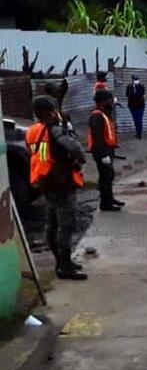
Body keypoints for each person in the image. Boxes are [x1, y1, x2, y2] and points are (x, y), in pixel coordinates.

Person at [26, 96, 88, 280]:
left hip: (45, 182)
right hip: (61, 183)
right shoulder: (54, 130)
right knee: (66, 225)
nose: (57, 113)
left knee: (52, 224)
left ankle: (61, 262)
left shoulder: (33, 131)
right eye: (54, 110)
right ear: (49, 112)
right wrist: (80, 159)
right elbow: (74, 147)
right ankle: (65, 267)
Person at [88, 90, 124, 212]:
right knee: (105, 177)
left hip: (107, 149)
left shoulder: (104, 113)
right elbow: (96, 136)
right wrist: (103, 154)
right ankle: (105, 203)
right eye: (109, 100)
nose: (111, 102)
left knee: (109, 175)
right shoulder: (97, 115)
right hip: (101, 150)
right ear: (103, 101)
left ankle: (110, 198)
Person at [125, 74, 146, 139]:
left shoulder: (141, 86)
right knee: (135, 120)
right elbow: (127, 94)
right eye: (135, 79)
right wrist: (134, 95)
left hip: (140, 106)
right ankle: (137, 132)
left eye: (137, 79)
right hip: (132, 106)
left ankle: (139, 134)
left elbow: (143, 95)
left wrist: (138, 96)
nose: (136, 81)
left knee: (139, 120)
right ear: (132, 80)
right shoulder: (129, 87)